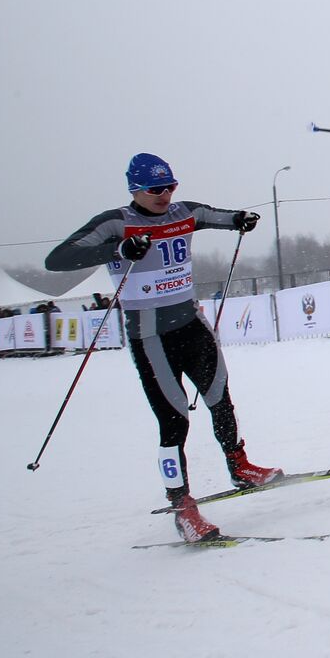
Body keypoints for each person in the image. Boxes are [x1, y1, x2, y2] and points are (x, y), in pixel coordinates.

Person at [44, 153, 281, 542]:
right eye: (156, 189)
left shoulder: (182, 212)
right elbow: (58, 260)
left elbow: (216, 215)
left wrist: (240, 219)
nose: (165, 195)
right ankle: (181, 505)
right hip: (151, 337)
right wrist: (117, 250)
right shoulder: (115, 223)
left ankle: (240, 466)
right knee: (173, 422)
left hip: (192, 324)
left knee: (219, 397)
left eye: (170, 186)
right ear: (135, 189)